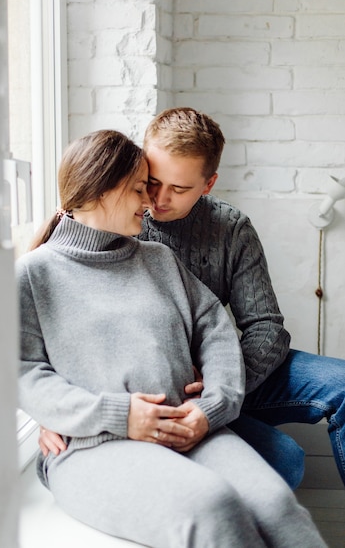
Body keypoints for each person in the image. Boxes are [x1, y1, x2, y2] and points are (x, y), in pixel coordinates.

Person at [17, 129, 326, 548]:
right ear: (102, 189)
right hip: (91, 447)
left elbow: (216, 329)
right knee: (212, 507)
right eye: (141, 189)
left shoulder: (158, 259)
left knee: (277, 506)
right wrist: (116, 415)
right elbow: (22, 373)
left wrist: (214, 405)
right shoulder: (34, 274)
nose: (150, 204)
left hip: (189, 427)